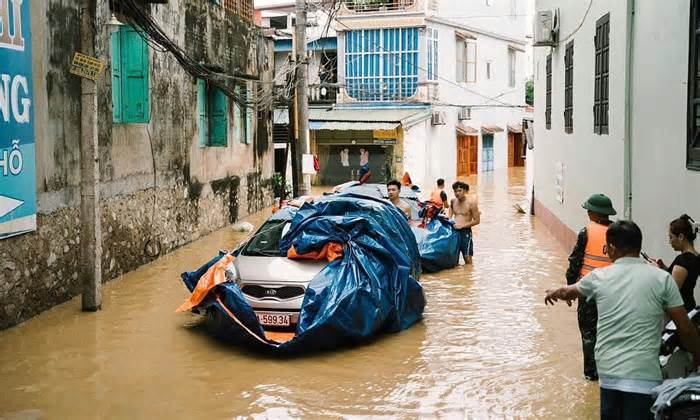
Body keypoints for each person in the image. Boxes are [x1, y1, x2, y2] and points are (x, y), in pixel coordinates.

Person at [545, 220, 700, 420]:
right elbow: (685, 328)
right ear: (639, 245)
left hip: (608, 376)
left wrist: (554, 292)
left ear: (611, 248)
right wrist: (697, 355)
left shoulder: (599, 277)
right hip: (644, 377)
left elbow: (569, 291)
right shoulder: (662, 279)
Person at [566, 193, 617, 381]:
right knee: (611, 331)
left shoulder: (586, 232)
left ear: (595, 213)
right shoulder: (620, 232)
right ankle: (610, 371)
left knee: (589, 334)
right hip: (615, 292)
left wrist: (570, 289)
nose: (587, 213)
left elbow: (574, 262)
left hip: (588, 292)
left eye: (589, 210)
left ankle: (591, 375)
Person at [655, 214, 700, 312]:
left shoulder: (683, 260)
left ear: (680, 237)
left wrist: (655, 271)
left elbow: (671, 292)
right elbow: (682, 277)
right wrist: (663, 267)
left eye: (671, 237)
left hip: (680, 313)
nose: (669, 242)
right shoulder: (696, 257)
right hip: (689, 307)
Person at [449, 181, 480, 264]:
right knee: (453, 257)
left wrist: (462, 226)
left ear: (465, 191)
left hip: (465, 232)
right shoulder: (453, 201)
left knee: (467, 258)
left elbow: (477, 221)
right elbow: (449, 215)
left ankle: (469, 274)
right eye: (455, 191)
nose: (457, 193)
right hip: (454, 231)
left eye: (459, 191)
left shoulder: (472, 203)